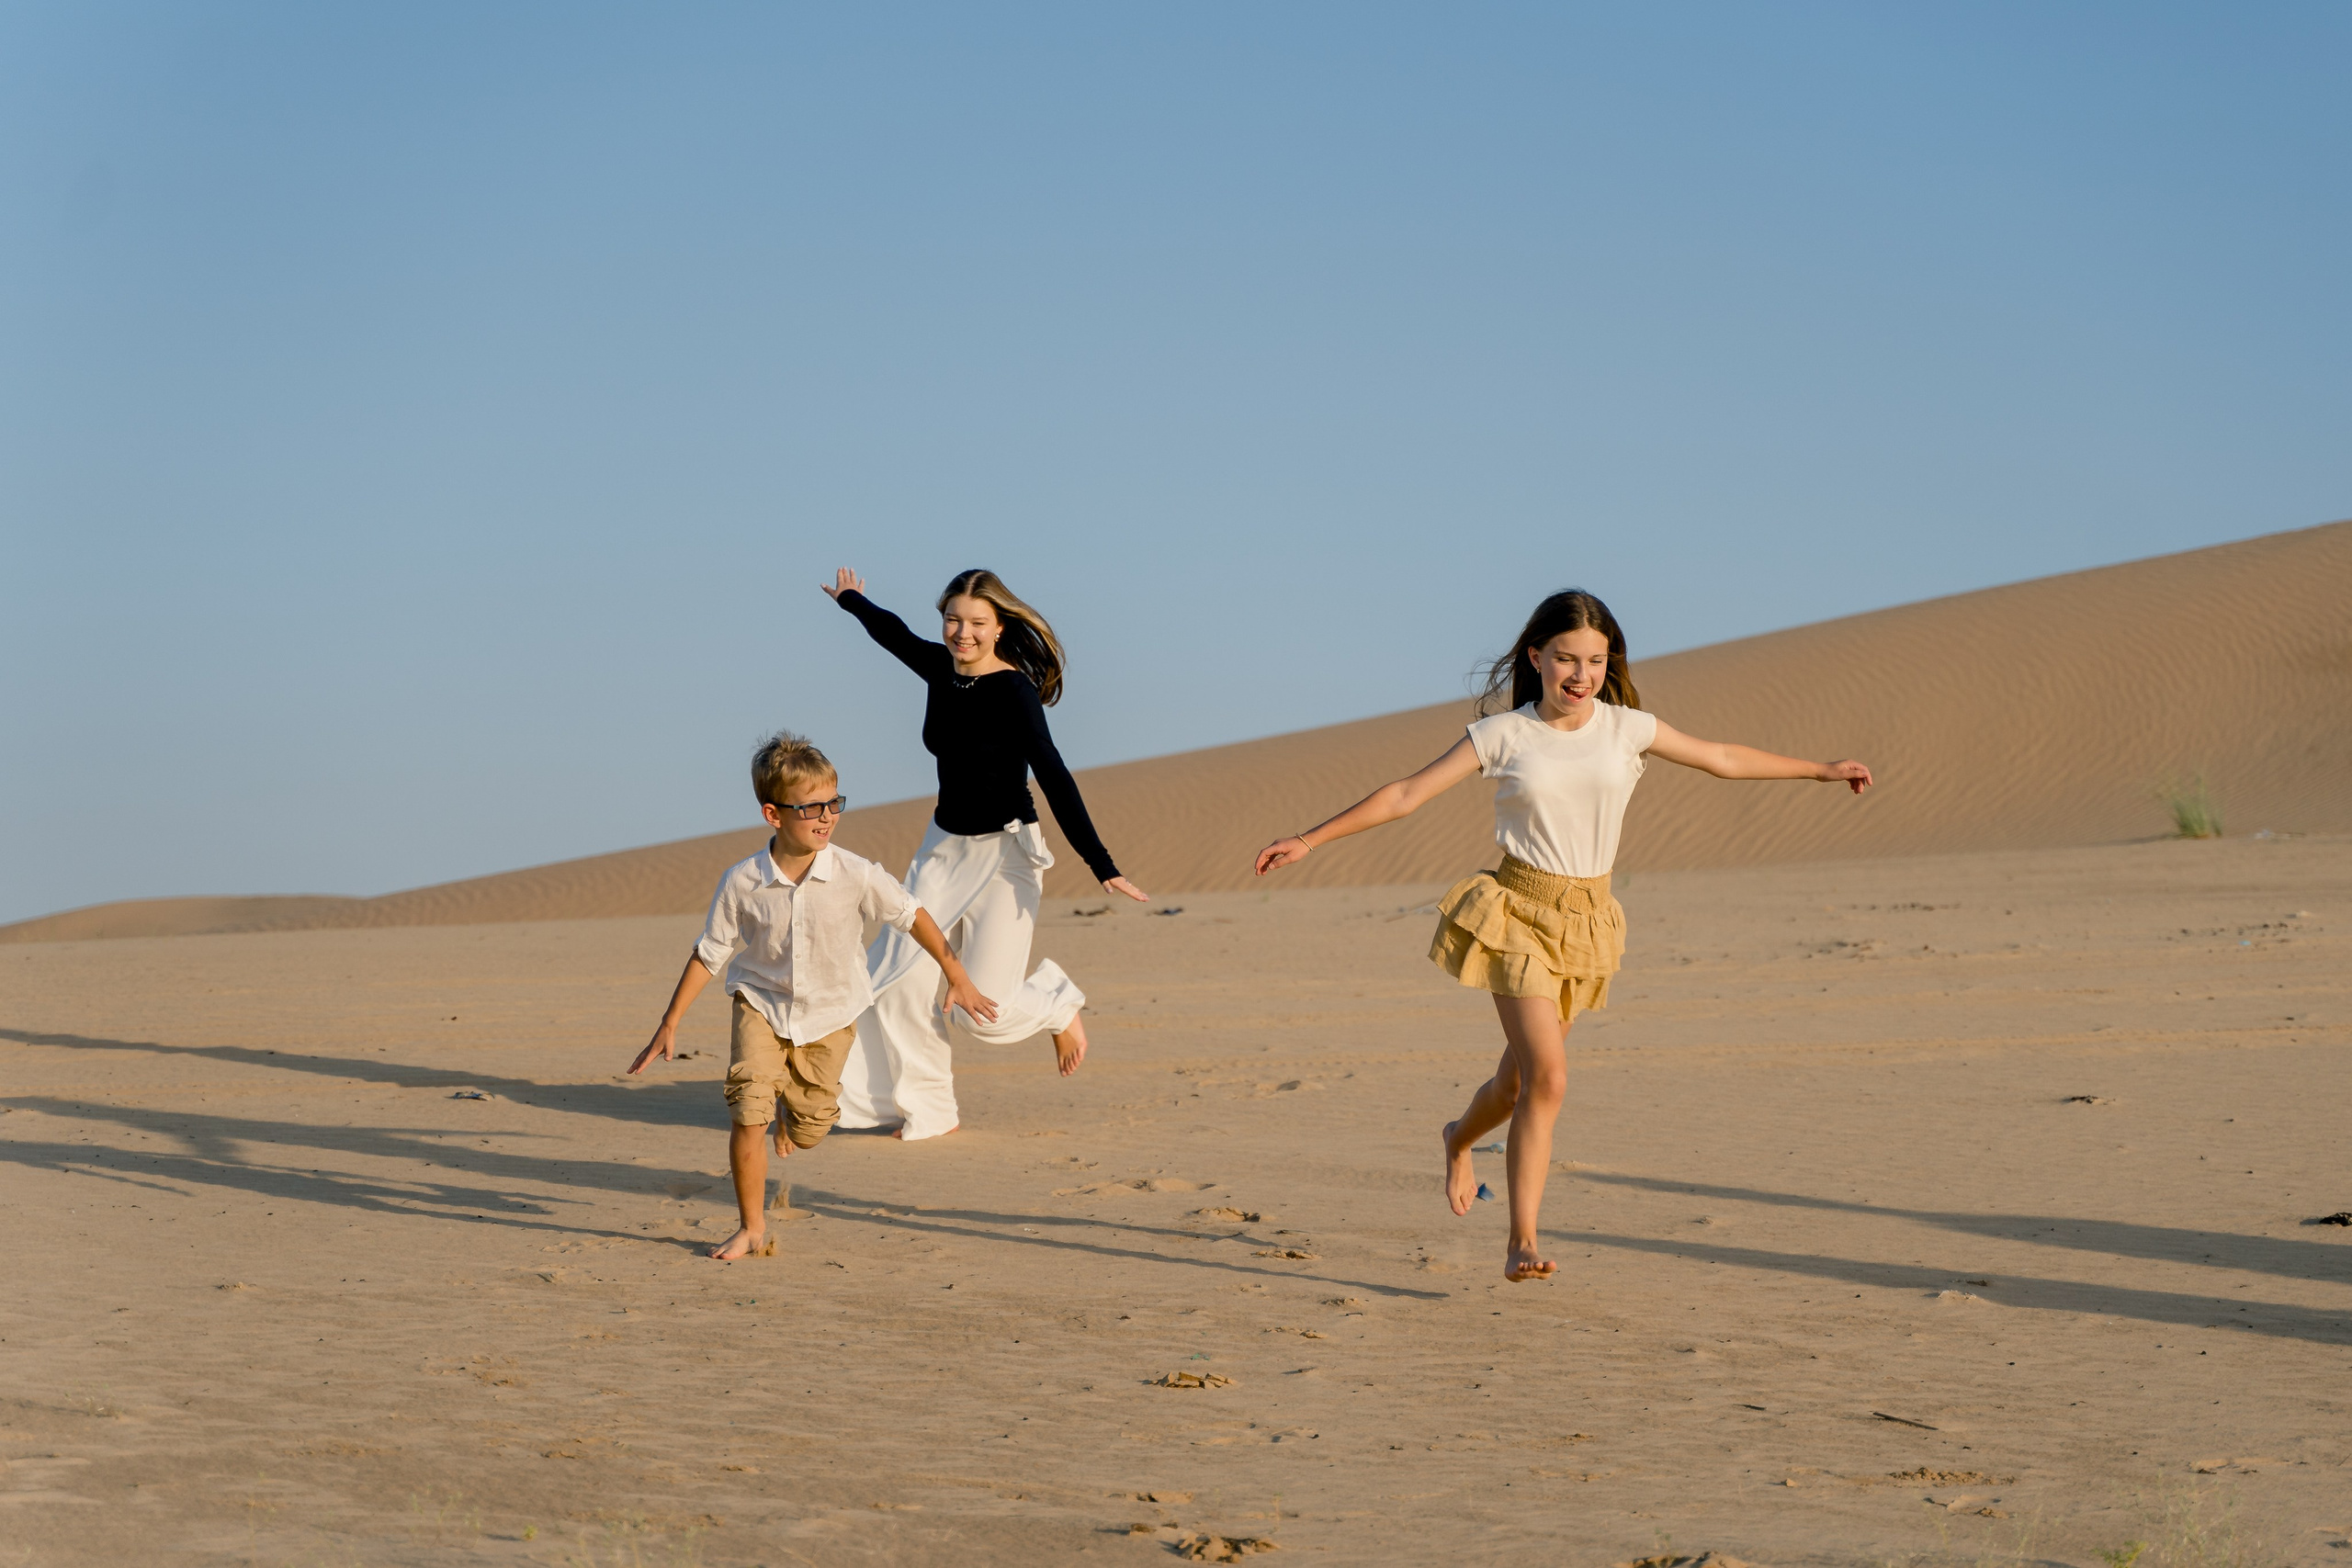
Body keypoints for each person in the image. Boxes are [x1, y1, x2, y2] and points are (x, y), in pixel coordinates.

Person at [1253, 590, 1872, 1282]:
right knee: (1550, 1077)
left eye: (1597, 661)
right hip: (1517, 912)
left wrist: (1820, 770)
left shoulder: (1627, 727)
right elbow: (1405, 794)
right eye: (1567, 659)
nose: (1581, 675)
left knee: (1518, 1083)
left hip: (1588, 921)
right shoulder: (1505, 734)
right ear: (1536, 657)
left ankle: (1459, 1136)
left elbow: (1722, 756)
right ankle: (1522, 1240)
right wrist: (1310, 837)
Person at [629, 731, 996, 1260]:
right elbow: (710, 952)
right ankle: (751, 1227)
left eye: (834, 803)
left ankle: (792, 1116)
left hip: (831, 1015)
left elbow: (911, 914)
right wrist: (670, 1022)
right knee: (747, 1112)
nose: (826, 817)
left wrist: (955, 972)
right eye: (811, 808)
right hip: (761, 1004)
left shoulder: (856, 873)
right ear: (773, 814)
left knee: (809, 1129)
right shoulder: (742, 882)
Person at [824, 567, 1147, 1140]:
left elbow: (1053, 774)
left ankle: (1055, 1004)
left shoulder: (1015, 691)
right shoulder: (939, 669)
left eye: (976, 623)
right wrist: (852, 599)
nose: (962, 633)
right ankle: (930, 1109)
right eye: (953, 620)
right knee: (897, 979)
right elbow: (891, 632)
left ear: (999, 628)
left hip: (1006, 855)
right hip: (942, 851)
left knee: (987, 1016)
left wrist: (1103, 865)